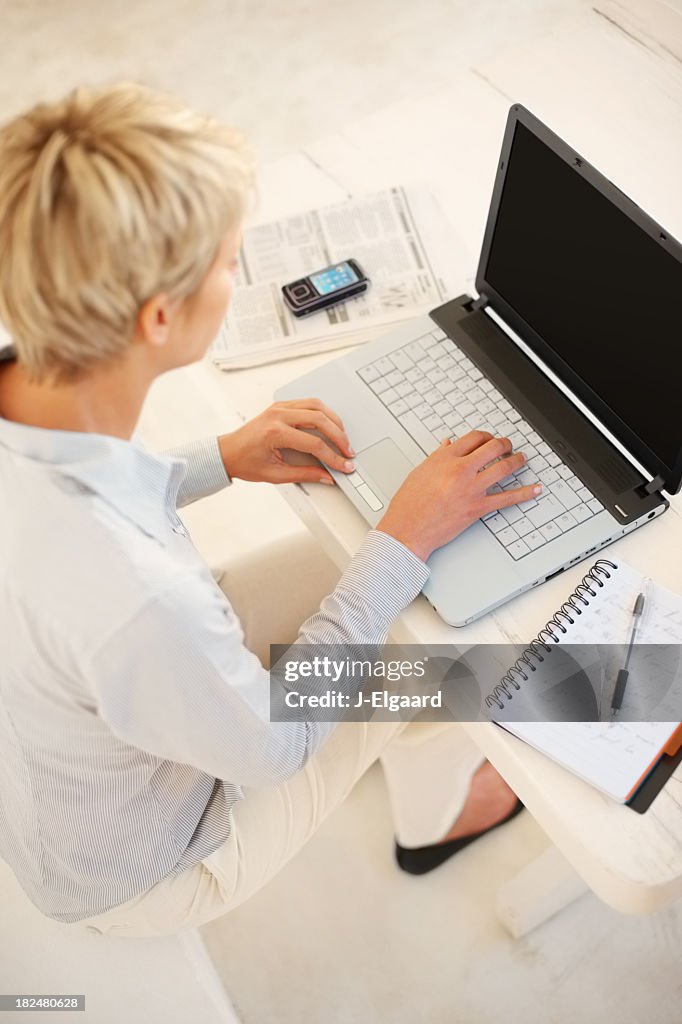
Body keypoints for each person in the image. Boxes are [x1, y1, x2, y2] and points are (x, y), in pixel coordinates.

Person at [0, 83, 540, 938]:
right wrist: (402, 540)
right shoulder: (136, 598)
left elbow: (63, 493)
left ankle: (410, 739)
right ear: (161, 315)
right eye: (226, 261)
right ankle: (444, 816)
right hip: (149, 861)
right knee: (455, 646)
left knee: (392, 587)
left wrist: (216, 457)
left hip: (73, 744)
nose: (237, 273)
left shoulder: (24, 391)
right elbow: (272, 746)